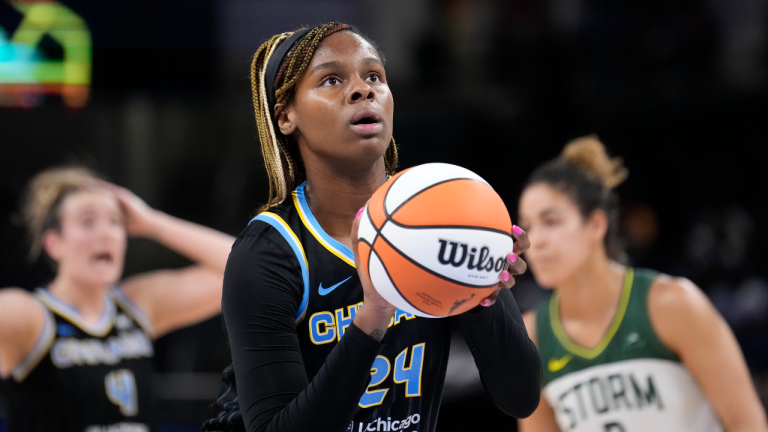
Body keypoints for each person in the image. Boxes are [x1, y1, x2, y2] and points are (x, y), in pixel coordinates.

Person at [203, 22, 541, 432]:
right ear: (287, 116)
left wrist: (482, 294)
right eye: (331, 80)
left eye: (374, 76)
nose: (363, 89)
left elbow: (520, 398)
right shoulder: (268, 253)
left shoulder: (443, 216)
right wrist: (371, 320)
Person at [516, 136, 768, 431]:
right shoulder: (531, 336)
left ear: (596, 224)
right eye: (528, 226)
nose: (537, 241)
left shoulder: (671, 304)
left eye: (551, 222)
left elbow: (747, 423)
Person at [0, 167, 235, 432]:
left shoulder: (137, 306)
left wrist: (152, 222)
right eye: (88, 222)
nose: (106, 233)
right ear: (54, 243)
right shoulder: (28, 315)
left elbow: (245, 269)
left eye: (115, 222)